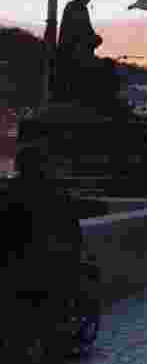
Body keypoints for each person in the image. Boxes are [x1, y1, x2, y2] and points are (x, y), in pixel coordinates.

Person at [2, 138, 83, 359]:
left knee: (17, 339)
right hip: (52, 271)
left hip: (17, 273)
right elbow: (73, 234)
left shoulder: (9, 193)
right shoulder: (57, 193)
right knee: (53, 335)